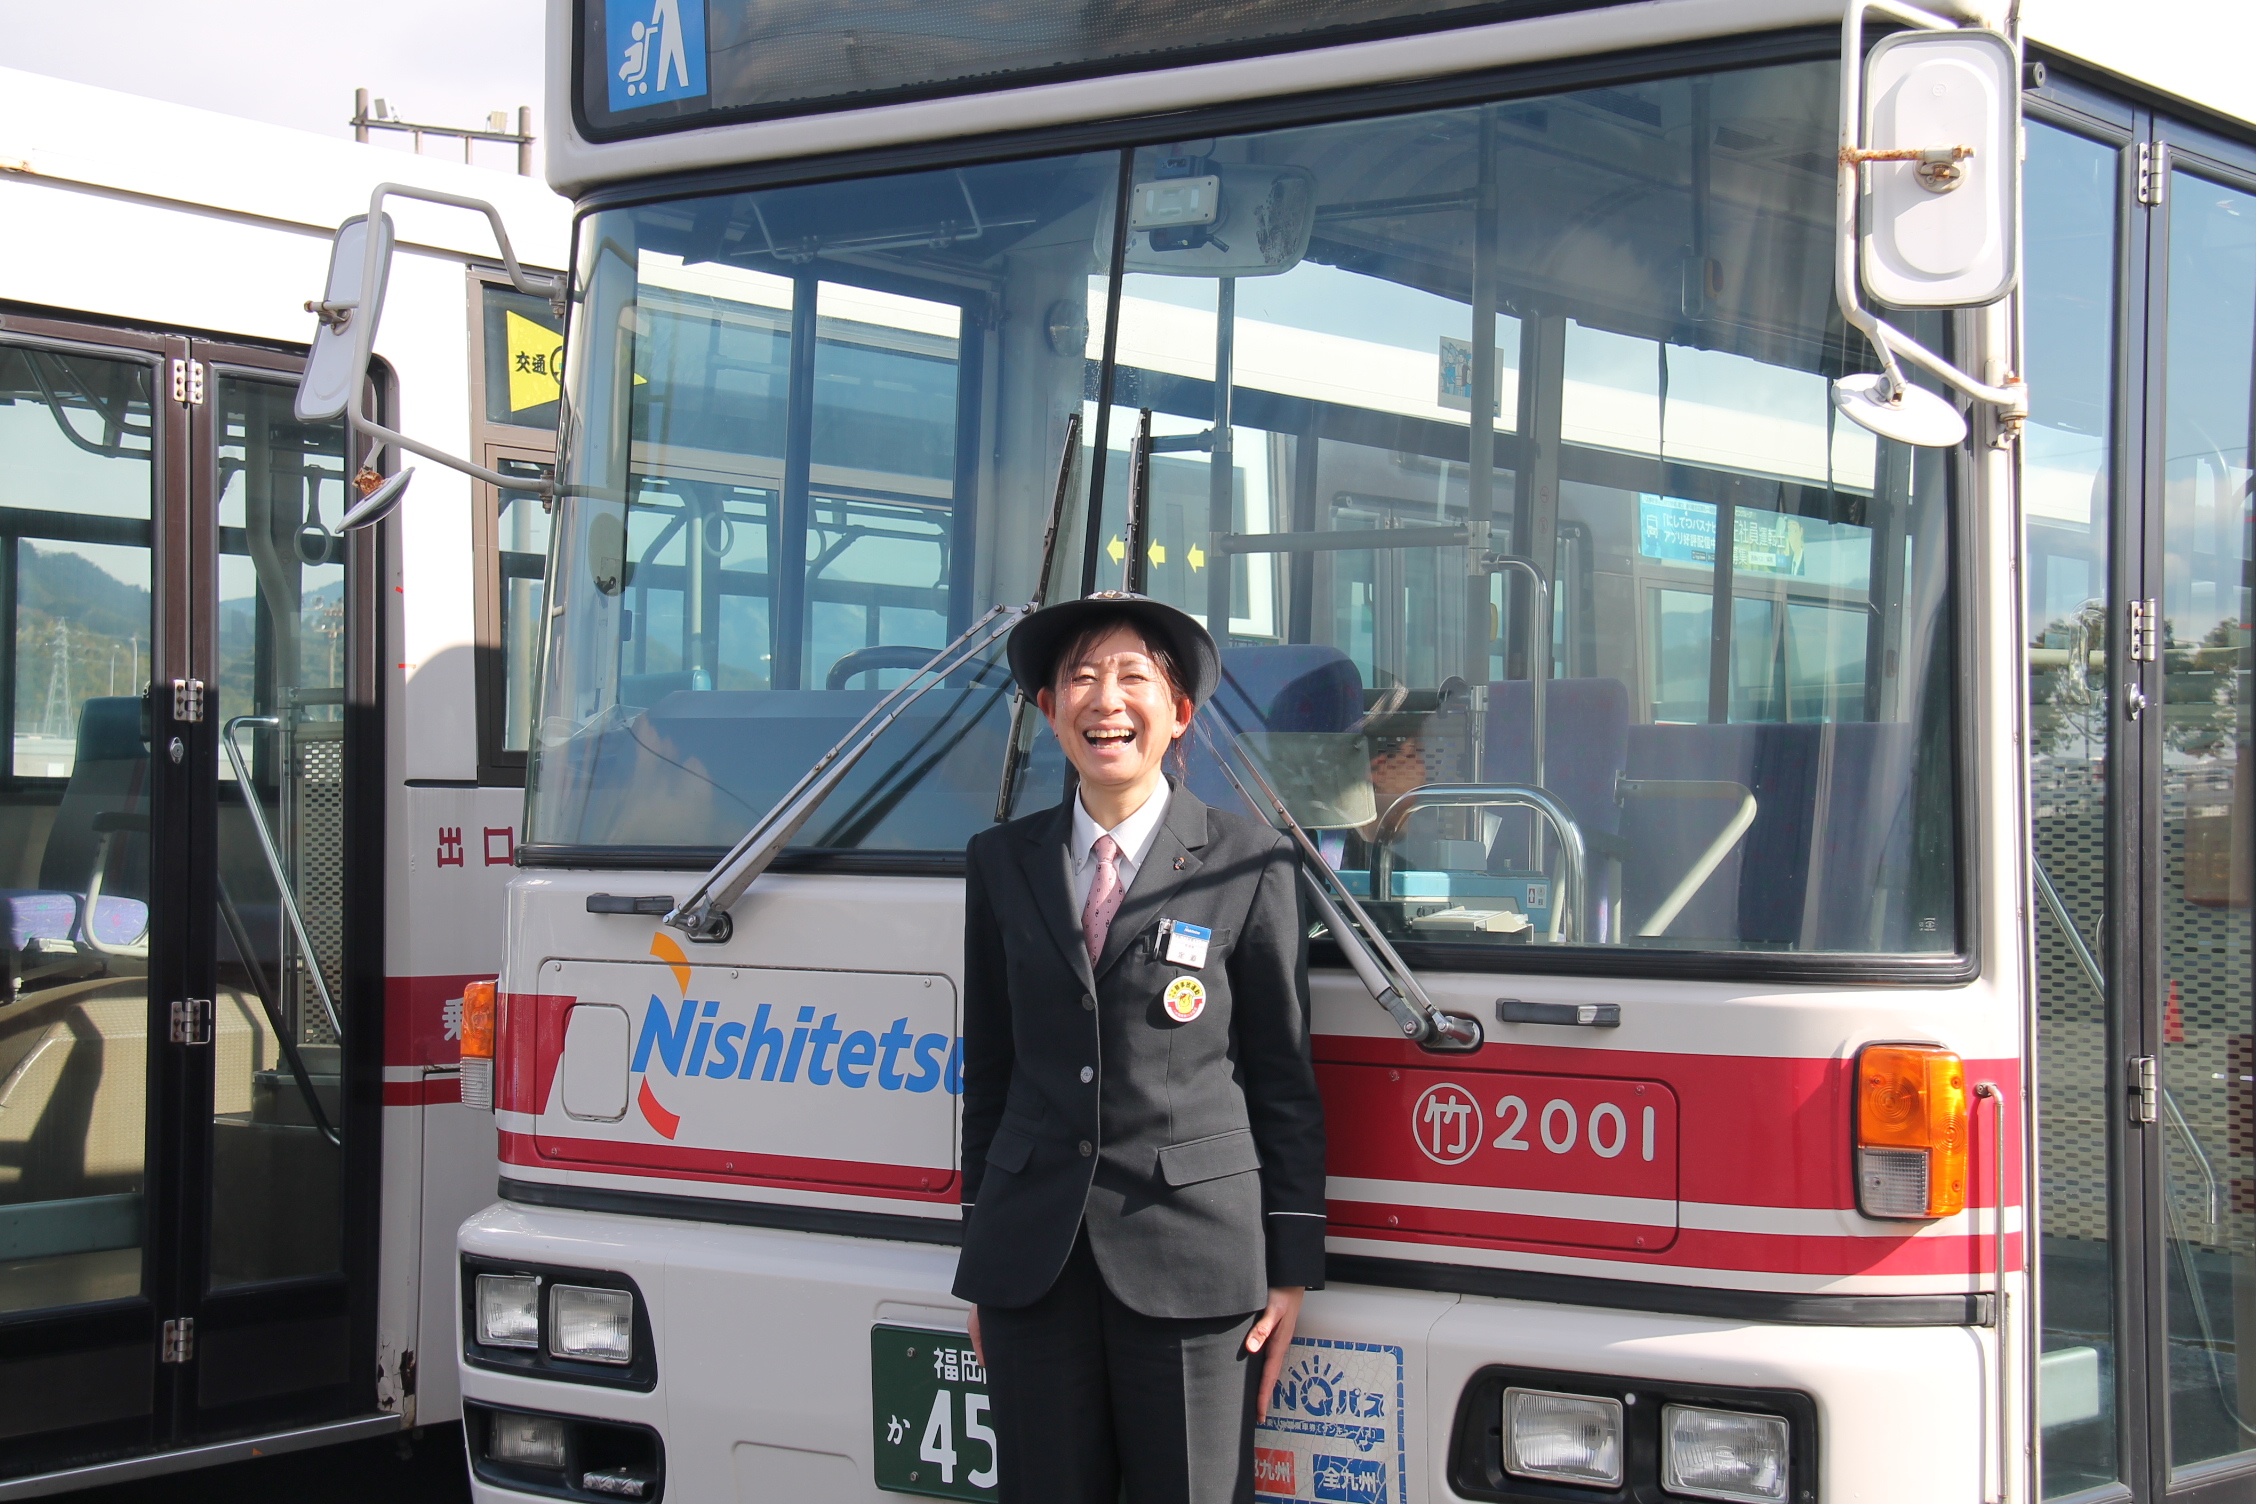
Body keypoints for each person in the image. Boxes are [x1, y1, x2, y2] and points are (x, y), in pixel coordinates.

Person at [955, 591, 1327, 1504]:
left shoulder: (1252, 861)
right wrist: (986, 1253)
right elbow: (991, 1071)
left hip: (1195, 1267)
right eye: (1079, 677)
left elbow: (1282, 1079)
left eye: (1131, 676)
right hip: (1033, 1269)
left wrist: (1291, 1270)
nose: (1103, 700)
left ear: (1179, 714)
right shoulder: (1000, 862)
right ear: (1049, 712)